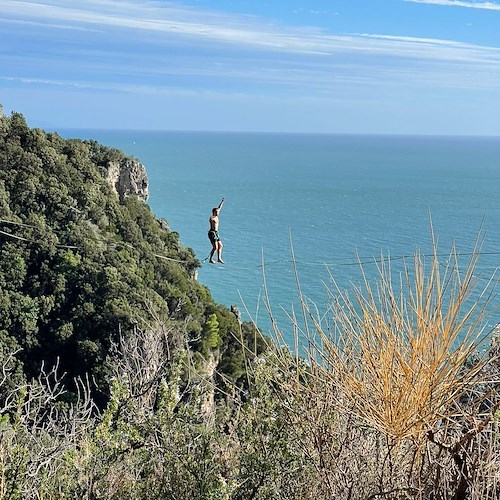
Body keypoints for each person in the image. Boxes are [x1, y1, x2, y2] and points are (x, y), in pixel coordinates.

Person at [208, 197, 224, 264]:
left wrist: (222, 201)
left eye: (218, 212)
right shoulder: (212, 218)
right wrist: (211, 218)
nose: (218, 212)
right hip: (212, 233)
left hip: (216, 233)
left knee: (220, 246)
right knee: (215, 247)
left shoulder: (217, 216)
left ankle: (219, 258)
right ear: (214, 212)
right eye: (216, 212)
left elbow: (219, 207)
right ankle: (210, 259)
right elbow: (211, 220)